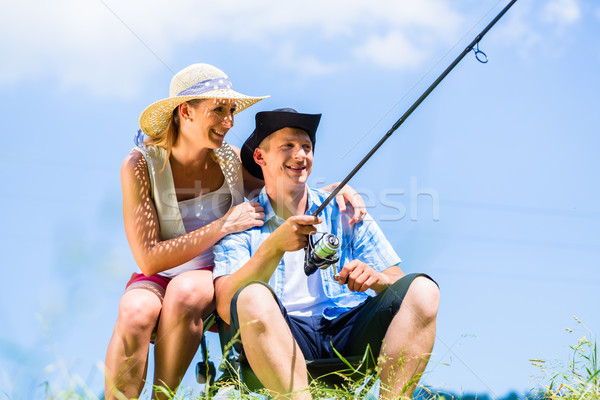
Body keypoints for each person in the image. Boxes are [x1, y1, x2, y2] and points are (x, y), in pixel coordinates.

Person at [105, 65, 365, 400]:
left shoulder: (230, 162)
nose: (229, 122)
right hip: (159, 271)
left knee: (185, 291)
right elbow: (148, 258)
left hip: (216, 273)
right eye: (218, 110)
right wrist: (223, 224)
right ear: (186, 111)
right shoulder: (141, 166)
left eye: (231, 111)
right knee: (134, 310)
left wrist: (334, 189)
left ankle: (162, 398)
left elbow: (284, 186)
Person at [213, 108, 440, 399]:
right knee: (253, 296)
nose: (300, 156)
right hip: (281, 336)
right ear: (260, 157)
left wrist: (377, 281)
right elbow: (224, 305)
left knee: (423, 290)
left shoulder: (344, 208)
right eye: (288, 147)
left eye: (306, 147)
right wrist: (274, 247)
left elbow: (396, 283)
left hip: (346, 330)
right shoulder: (241, 220)